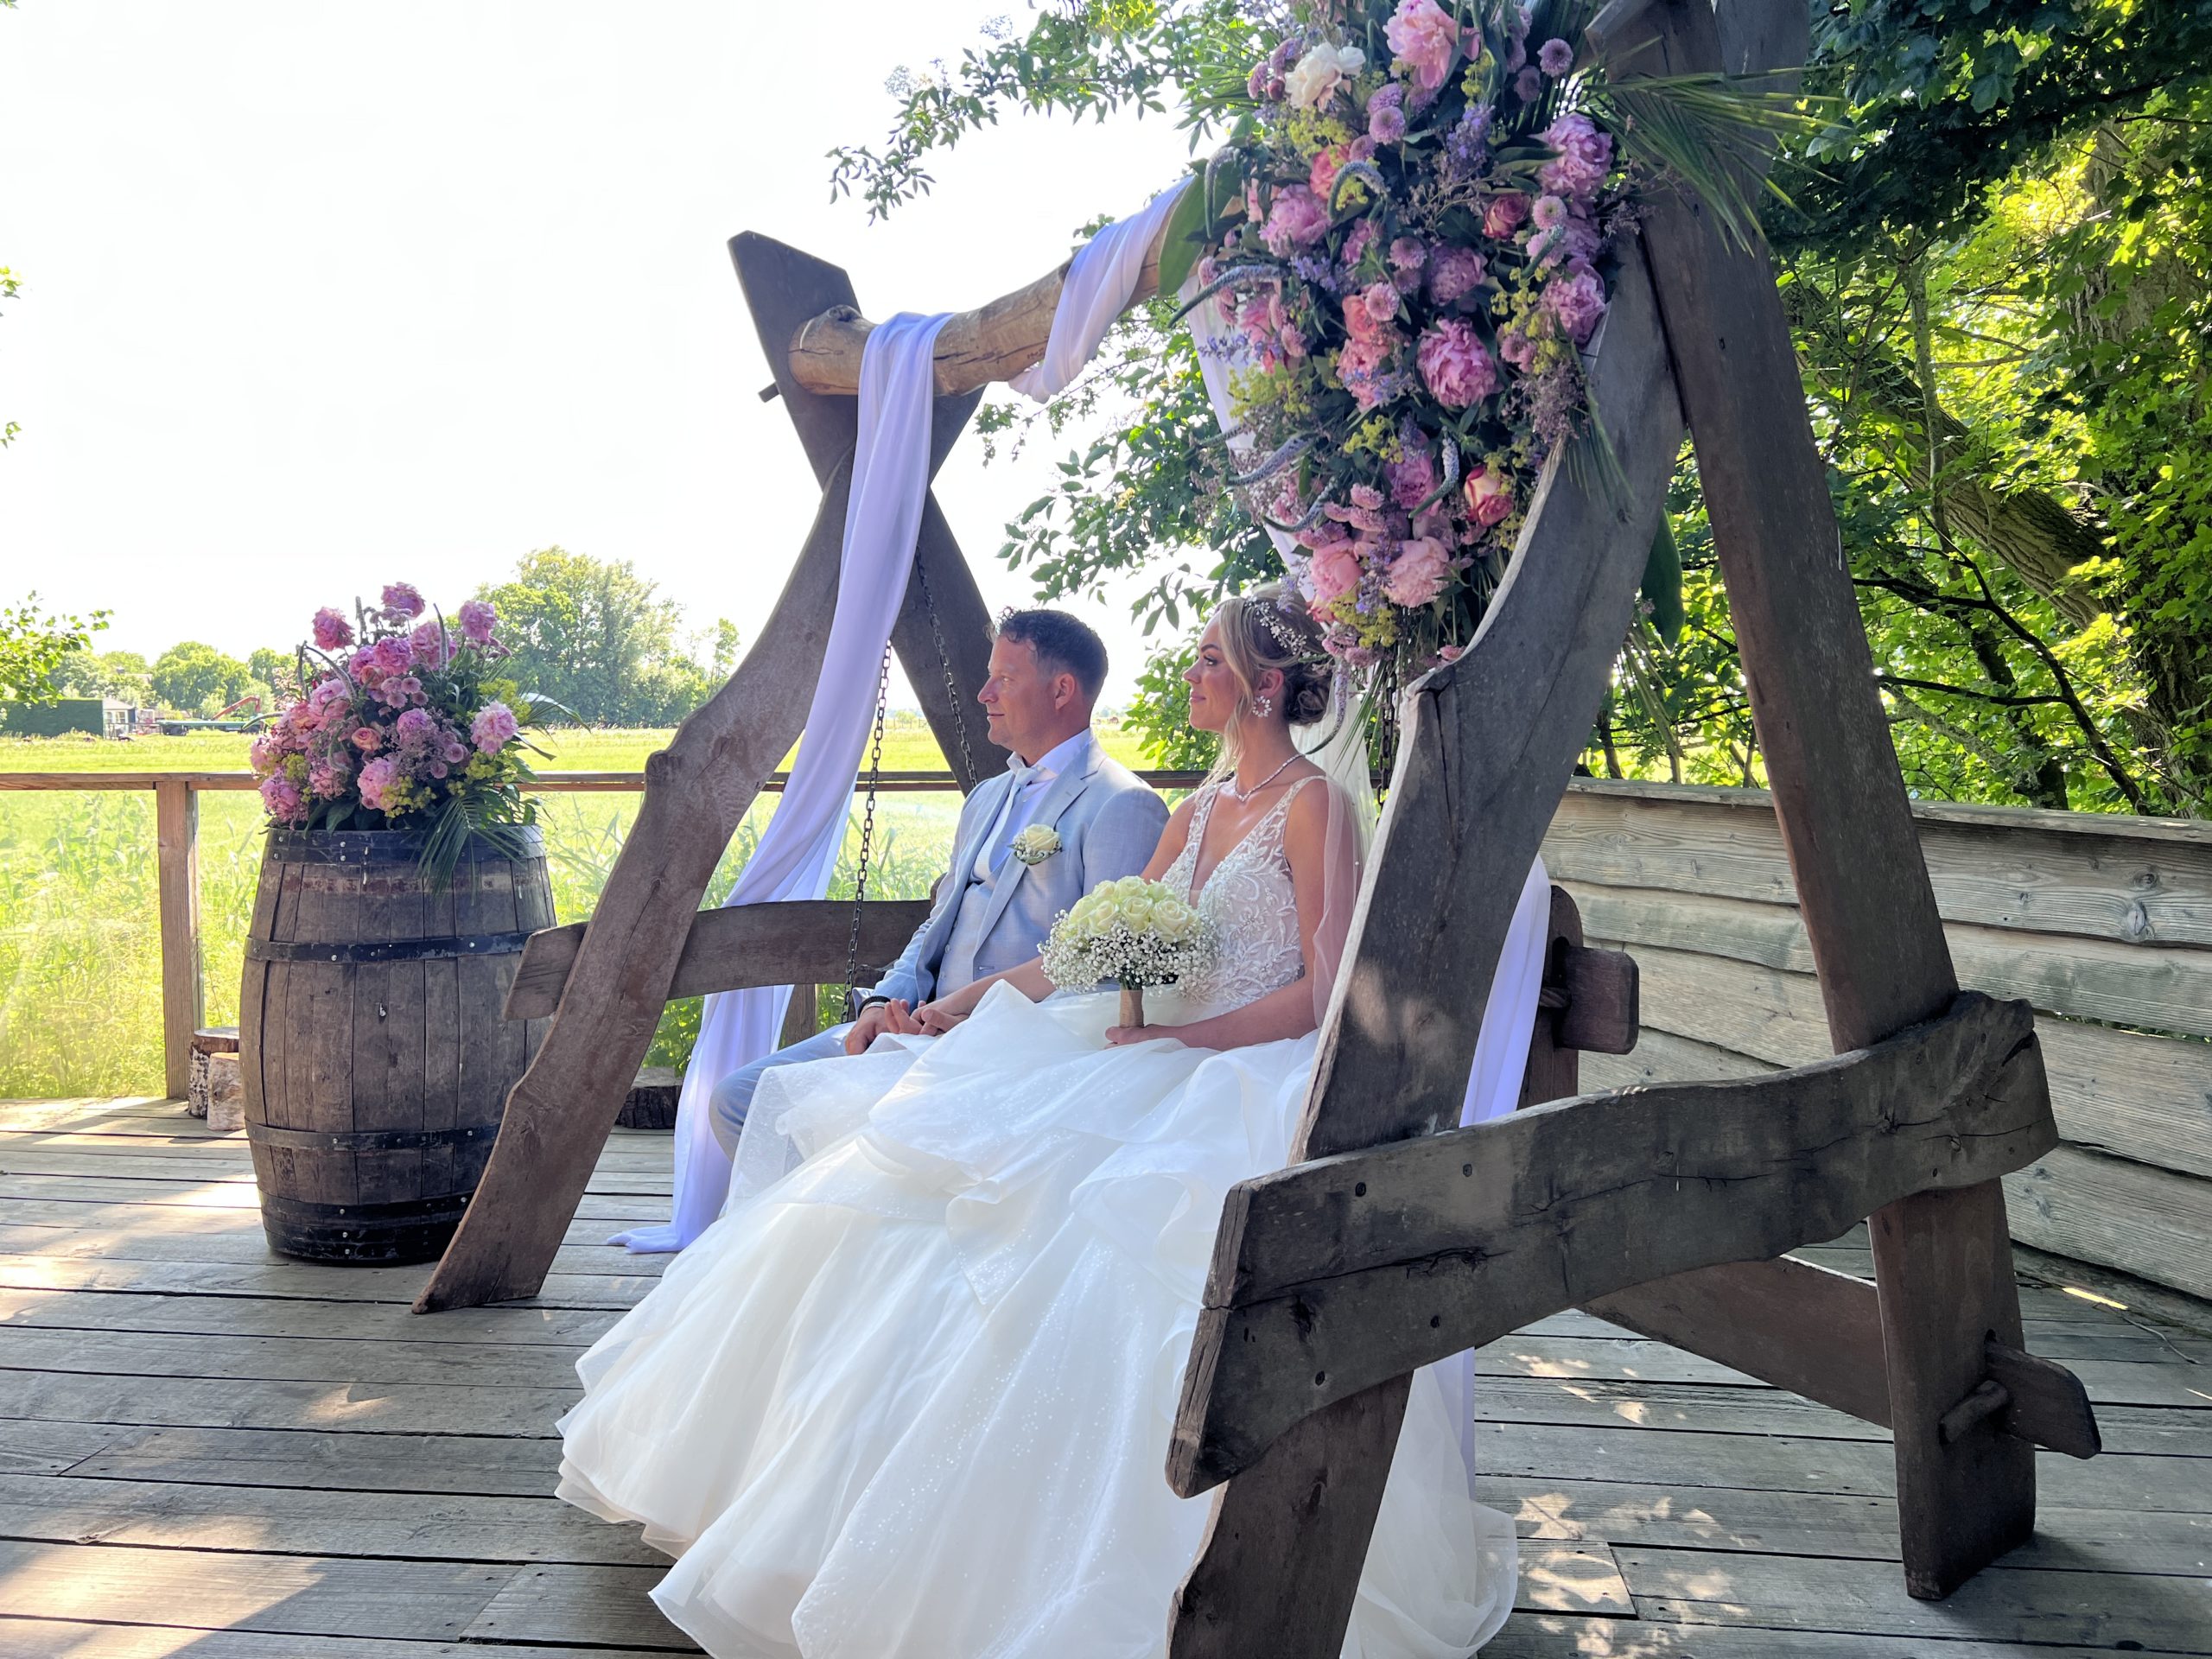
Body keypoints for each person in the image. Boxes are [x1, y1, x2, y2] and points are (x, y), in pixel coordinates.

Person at [556, 587, 1517, 1659]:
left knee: (1097, 1254)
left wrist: (1185, 1042)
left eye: (1211, 658)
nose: (1192, 673)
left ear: (1268, 684)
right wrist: (964, 1004)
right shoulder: (1198, 810)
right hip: (1139, 1043)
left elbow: (1327, 992)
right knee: (926, 1190)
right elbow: (1087, 951)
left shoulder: (1313, 808)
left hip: (1238, 1067)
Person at [706, 607, 1166, 1158]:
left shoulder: (1122, 804)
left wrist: (972, 1024)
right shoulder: (987, 797)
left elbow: (1106, 975)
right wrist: (882, 1003)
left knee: (860, 1133)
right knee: (741, 1100)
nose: (984, 694)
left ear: (1062, 689)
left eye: (1005, 679)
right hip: (916, 1025)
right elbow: (937, 923)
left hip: (1011, 1050)